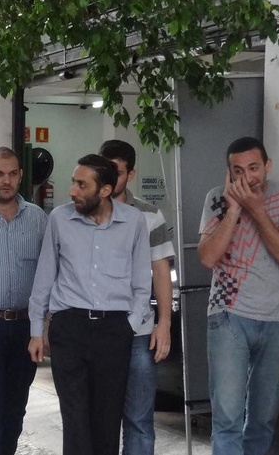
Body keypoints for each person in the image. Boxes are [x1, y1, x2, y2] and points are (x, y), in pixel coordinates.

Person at [28, 154, 151, 455]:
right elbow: (44, 276)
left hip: (114, 330)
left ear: (105, 190)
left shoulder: (133, 221)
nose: (72, 191)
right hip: (69, 328)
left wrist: (130, 324)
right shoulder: (60, 218)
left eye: (82, 185)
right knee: (75, 422)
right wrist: (36, 331)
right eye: (74, 182)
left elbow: (141, 281)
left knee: (107, 422)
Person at [197, 137, 279, 455]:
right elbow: (207, 257)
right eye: (238, 170)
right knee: (227, 420)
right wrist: (233, 210)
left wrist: (257, 210)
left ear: (268, 166)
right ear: (229, 172)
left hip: (278, 319)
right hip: (228, 316)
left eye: (254, 168)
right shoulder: (216, 198)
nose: (247, 177)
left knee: (263, 419)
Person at [99, 140, 174, 455]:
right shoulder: (82, 210)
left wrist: (164, 324)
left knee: (140, 420)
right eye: (104, 169)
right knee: (98, 419)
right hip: (96, 331)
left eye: (117, 172)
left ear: (131, 174)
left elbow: (161, 271)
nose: (109, 177)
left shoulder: (149, 215)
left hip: (140, 332)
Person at [0, 147, 47, 455]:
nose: (6, 181)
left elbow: (49, 273)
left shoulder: (38, 219)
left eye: (12, 174)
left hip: (26, 327)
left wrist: (44, 326)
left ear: (21, 175)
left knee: (16, 407)